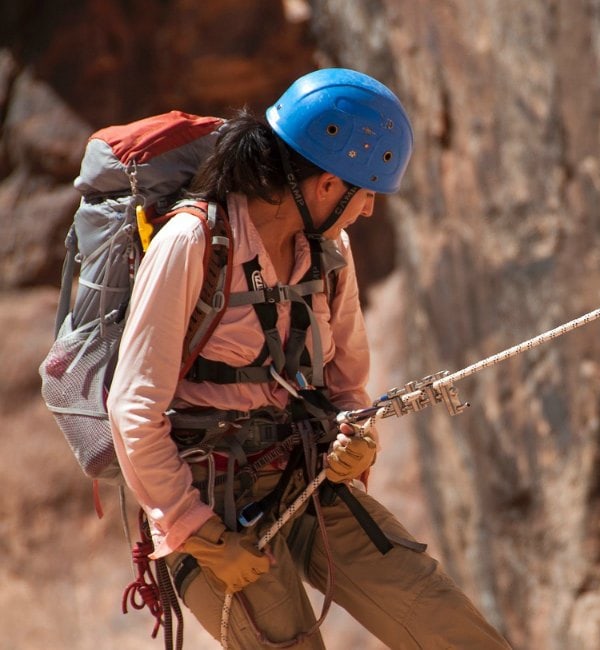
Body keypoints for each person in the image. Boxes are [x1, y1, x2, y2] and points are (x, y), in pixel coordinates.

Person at [107, 68, 511, 649]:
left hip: (308, 475)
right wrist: (202, 537)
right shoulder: (192, 242)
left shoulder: (329, 252)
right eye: (364, 191)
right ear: (326, 184)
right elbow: (134, 405)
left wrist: (358, 442)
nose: (367, 209)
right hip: (209, 500)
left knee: (449, 626)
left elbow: (348, 383)